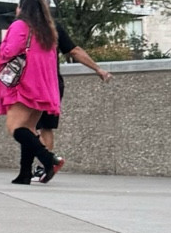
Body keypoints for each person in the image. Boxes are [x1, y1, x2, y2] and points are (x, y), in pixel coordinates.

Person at [31, 10, 111, 175]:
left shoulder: (25, 29)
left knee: (28, 126)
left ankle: (46, 163)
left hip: (34, 85)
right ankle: (45, 165)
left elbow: (74, 51)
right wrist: (98, 69)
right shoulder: (53, 28)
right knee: (44, 127)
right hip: (51, 84)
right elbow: (74, 51)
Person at [0, 0, 64, 183]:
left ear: (22, 8)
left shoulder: (20, 25)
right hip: (43, 84)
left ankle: (49, 160)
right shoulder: (47, 31)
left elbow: (10, 50)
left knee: (15, 128)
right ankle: (24, 173)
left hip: (24, 83)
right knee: (28, 128)